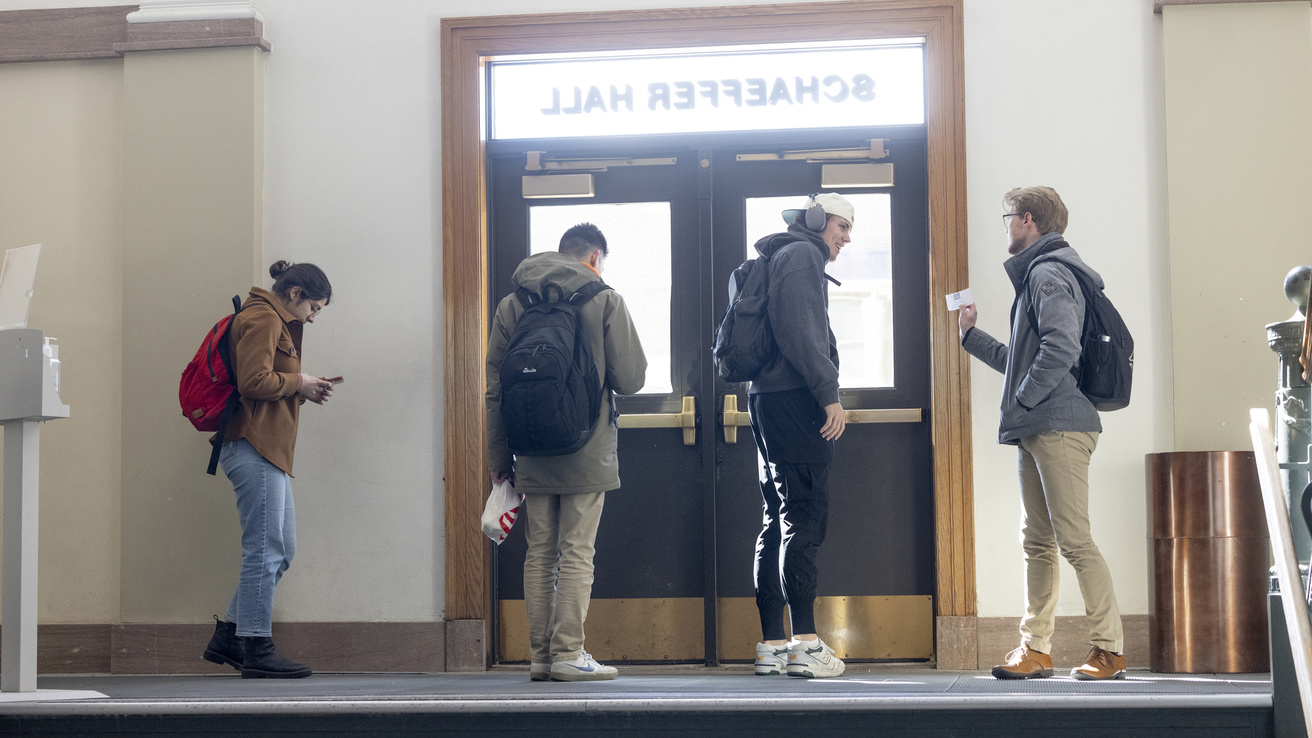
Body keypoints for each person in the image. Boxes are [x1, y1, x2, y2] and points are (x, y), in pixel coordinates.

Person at [958, 186, 1126, 681]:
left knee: (1074, 540)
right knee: (1038, 542)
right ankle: (1036, 649)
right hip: (1039, 424)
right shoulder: (1039, 274)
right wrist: (972, 336)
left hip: (1059, 424)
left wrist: (1027, 399)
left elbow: (1060, 347)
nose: (1006, 225)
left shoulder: (1047, 272)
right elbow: (1024, 362)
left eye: (1008, 216)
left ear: (1027, 219)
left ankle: (1109, 650)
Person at [485, 223, 646, 682]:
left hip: (529, 448)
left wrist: (500, 456)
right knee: (576, 551)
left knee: (539, 552)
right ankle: (569, 653)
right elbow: (632, 379)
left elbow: (495, 388)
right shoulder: (603, 297)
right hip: (586, 445)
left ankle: (540, 657)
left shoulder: (513, 303)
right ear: (594, 257)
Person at [201, 260, 336, 679]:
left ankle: (230, 636)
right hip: (252, 444)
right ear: (295, 293)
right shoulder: (262, 317)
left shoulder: (274, 319)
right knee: (265, 549)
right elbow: (254, 381)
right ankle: (255, 645)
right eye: (314, 308)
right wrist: (300, 383)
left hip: (267, 449)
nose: (313, 317)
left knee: (282, 550)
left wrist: (304, 385)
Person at [748, 193, 851, 679]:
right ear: (814, 220)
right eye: (841, 225)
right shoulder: (804, 254)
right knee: (805, 517)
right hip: (795, 400)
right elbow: (802, 332)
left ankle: (773, 642)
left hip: (767, 398)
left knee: (777, 517)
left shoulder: (777, 255)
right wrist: (828, 393)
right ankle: (806, 643)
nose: (846, 237)